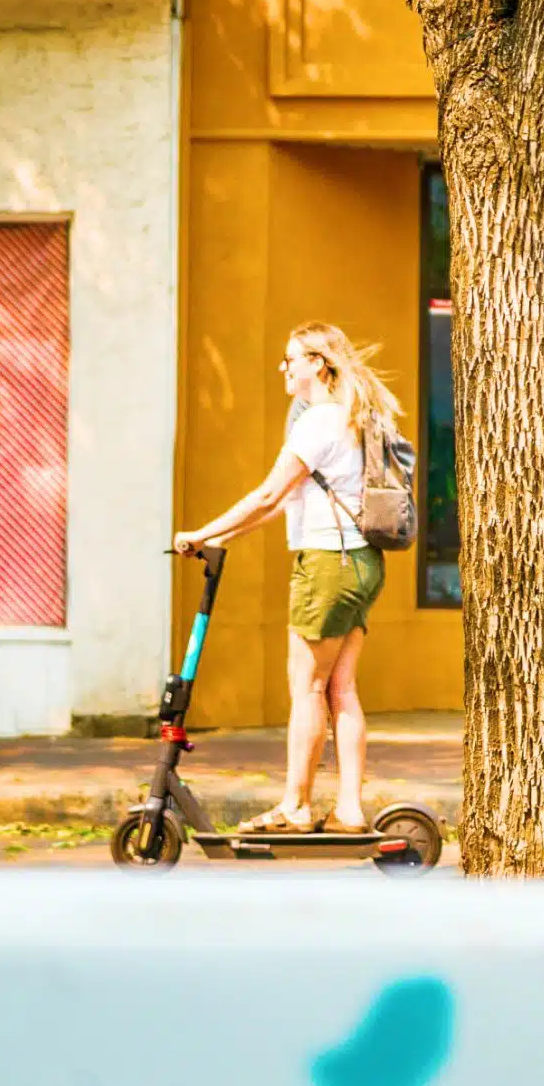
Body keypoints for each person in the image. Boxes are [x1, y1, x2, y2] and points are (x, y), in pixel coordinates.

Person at [174, 322, 400, 833]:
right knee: (342, 688)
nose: (285, 367)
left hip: (325, 564)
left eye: (291, 358)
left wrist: (200, 531)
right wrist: (223, 537)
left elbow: (266, 495)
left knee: (308, 686)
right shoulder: (352, 417)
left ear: (318, 363)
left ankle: (295, 806)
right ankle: (347, 810)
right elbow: (278, 505)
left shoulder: (318, 421)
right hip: (360, 563)